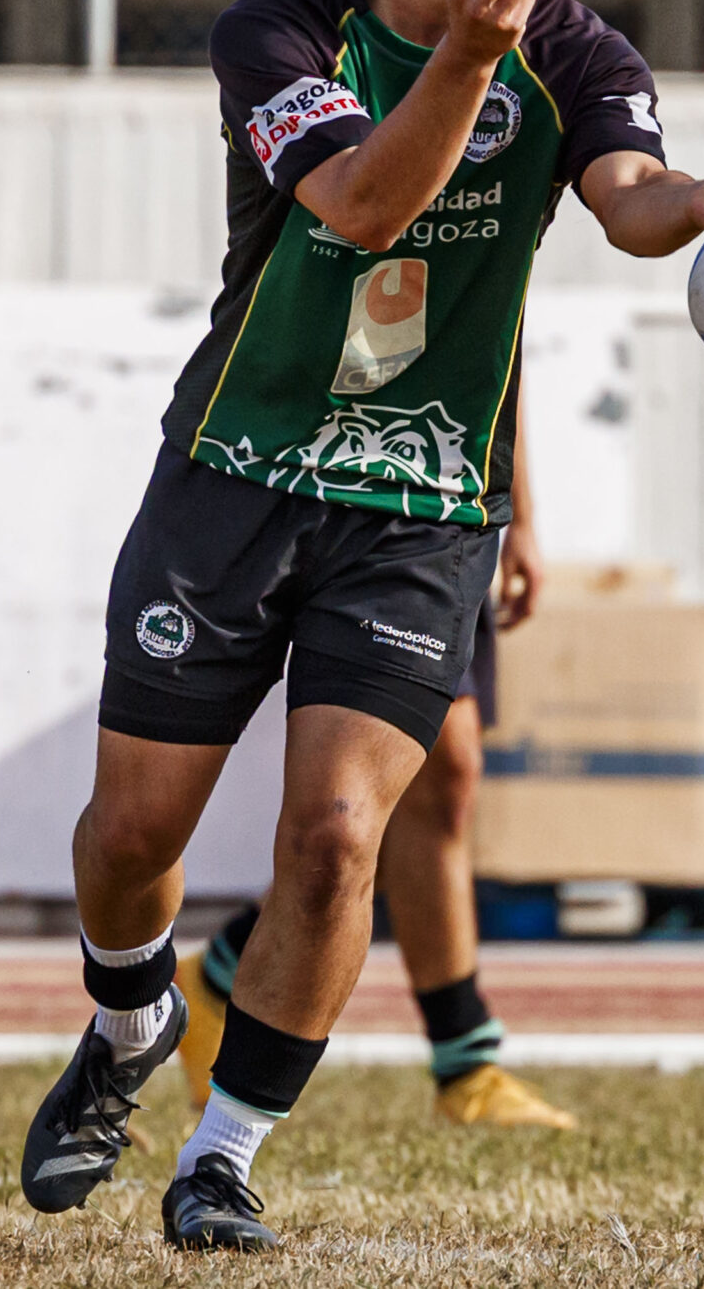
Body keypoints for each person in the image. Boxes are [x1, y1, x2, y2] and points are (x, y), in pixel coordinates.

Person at [20, 0, 704, 1254]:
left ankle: (226, 1153)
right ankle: (124, 1026)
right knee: (129, 837)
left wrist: (703, 207)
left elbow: (628, 194)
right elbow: (368, 205)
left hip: (424, 504)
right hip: (236, 470)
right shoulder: (285, 23)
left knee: (334, 834)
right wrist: (462, 55)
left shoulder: (572, 42)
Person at [176, 401, 577, 1132]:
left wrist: (522, 512)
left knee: (440, 777)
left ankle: (462, 1062)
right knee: (382, 793)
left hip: (439, 496)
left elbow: (503, 343)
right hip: (316, 475)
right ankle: (460, 1058)